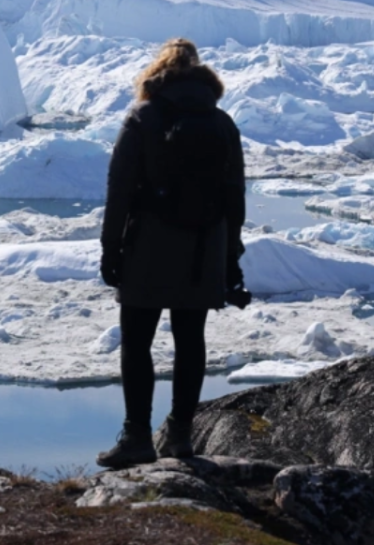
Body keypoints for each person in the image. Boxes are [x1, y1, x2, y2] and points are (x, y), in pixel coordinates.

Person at [96, 37, 248, 469]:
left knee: (138, 341)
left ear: (157, 72)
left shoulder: (144, 116)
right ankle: (180, 436)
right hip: (205, 244)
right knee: (190, 339)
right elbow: (235, 193)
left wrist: (111, 247)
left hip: (149, 242)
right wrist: (230, 253)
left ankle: (137, 437)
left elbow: (119, 188)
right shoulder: (221, 122)